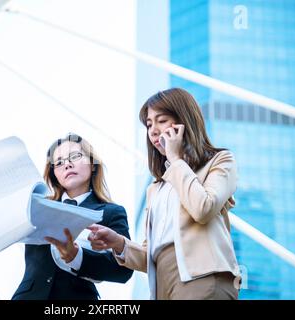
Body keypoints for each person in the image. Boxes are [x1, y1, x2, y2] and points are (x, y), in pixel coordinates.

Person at [88, 88, 240, 300]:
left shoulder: (220, 161)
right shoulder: (157, 188)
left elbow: (203, 208)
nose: (153, 130)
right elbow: (151, 254)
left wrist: (176, 158)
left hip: (203, 277)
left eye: (161, 120)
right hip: (162, 284)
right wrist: (118, 243)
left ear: (184, 121)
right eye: (149, 125)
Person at [0, 133, 133, 300]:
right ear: (54, 173)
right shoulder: (35, 205)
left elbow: (123, 270)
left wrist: (76, 256)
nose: (67, 164)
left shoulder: (111, 212)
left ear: (93, 164)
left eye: (75, 157)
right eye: (59, 162)